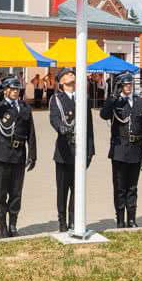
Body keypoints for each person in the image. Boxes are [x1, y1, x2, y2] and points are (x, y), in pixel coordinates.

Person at [0, 76, 37, 239]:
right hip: (2, 154)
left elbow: (31, 132)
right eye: (11, 88)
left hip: (19, 155)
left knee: (16, 193)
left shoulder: (25, 107)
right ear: (5, 90)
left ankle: (13, 225)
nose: (15, 92)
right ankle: (2, 226)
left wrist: (33, 155)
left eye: (17, 89)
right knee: (1, 193)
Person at [100, 71, 142, 228]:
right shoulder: (116, 102)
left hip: (136, 149)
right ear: (120, 86)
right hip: (119, 151)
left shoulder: (140, 102)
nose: (128, 86)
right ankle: (120, 219)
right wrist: (113, 98)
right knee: (120, 188)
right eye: (125, 84)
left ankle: (132, 219)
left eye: (130, 84)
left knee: (132, 187)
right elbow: (104, 114)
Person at [49, 68, 94, 232]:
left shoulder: (83, 98)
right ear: (61, 82)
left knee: (77, 189)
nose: (71, 75)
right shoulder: (56, 99)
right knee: (62, 190)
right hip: (64, 151)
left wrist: (91, 150)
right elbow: (54, 117)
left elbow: (89, 125)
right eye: (67, 74)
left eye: (72, 73)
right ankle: (62, 221)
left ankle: (74, 220)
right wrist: (61, 127)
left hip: (80, 152)